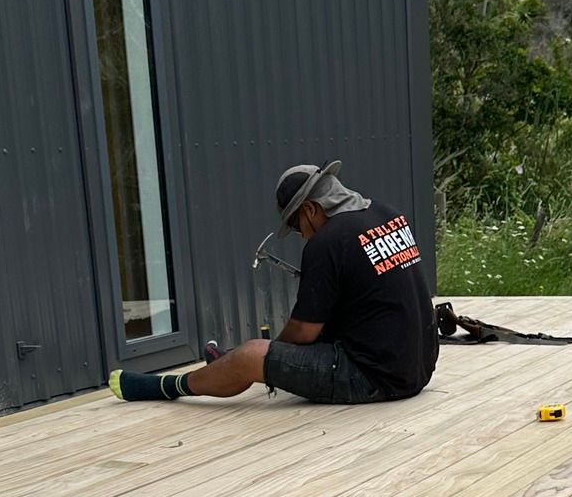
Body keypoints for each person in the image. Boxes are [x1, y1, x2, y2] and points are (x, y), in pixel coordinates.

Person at [109, 162, 438, 406]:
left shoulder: (327, 241)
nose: (301, 235)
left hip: (373, 376)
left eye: (295, 226)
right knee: (267, 351)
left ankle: (168, 387)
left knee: (250, 355)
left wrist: (272, 359)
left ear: (310, 209)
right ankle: (225, 364)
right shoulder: (387, 213)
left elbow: (303, 332)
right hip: (418, 367)